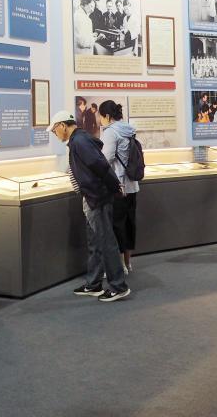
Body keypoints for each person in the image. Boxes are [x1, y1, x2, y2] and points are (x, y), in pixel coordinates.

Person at [50, 109, 130, 302]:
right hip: (92, 197)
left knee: (106, 241)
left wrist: (115, 186)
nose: (55, 134)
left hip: (97, 197)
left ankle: (118, 286)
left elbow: (101, 165)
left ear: (63, 126)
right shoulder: (78, 140)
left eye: (54, 130)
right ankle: (94, 284)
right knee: (95, 242)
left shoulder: (79, 141)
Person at [98, 100, 139, 274]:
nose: (100, 121)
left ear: (107, 116)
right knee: (129, 224)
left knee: (117, 226)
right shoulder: (129, 129)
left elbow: (105, 159)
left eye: (101, 117)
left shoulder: (110, 133)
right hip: (132, 185)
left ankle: (120, 266)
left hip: (118, 187)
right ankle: (128, 263)